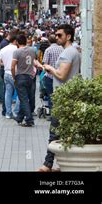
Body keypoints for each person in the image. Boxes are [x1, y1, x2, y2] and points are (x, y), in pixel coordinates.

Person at [38, 24, 81, 172]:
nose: (57, 37)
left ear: (68, 36)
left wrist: (49, 68)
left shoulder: (68, 53)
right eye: (56, 35)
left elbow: (62, 75)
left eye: (59, 35)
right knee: (64, 132)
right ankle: (61, 164)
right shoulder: (71, 51)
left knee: (54, 131)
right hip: (66, 95)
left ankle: (47, 164)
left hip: (63, 97)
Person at [11, 34, 38, 127]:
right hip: (30, 77)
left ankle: (29, 120)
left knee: (23, 99)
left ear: (17, 42)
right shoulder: (32, 50)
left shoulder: (17, 52)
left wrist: (14, 76)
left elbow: (12, 66)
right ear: (26, 41)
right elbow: (34, 61)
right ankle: (19, 117)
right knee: (26, 98)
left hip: (20, 76)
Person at [0, 34, 20, 119]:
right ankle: (16, 112)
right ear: (15, 41)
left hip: (6, 73)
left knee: (8, 94)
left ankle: (8, 113)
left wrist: (6, 64)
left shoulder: (3, 49)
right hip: (15, 73)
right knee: (20, 94)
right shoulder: (17, 49)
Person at [41, 35, 64, 113]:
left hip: (50, 76)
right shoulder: (62, 49)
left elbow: (45, 63)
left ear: (49, 41)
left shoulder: (48, 50)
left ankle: (52, 113)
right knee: (59, 95)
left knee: (51, 95)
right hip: (60, 74)